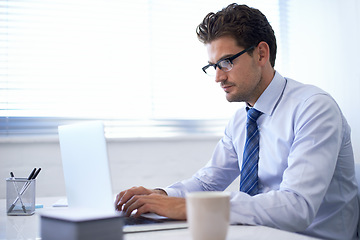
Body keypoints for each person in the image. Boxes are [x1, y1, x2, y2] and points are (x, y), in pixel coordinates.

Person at [115, 4, 359, 240]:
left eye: (227, 62)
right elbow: (207, 182)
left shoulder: (314, 108)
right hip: (257, 232)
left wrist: (187, 207)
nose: (218, 77)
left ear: (261, 54)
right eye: (213, 66)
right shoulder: (241, 120)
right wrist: (161, 195)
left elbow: (297, 207)